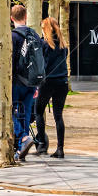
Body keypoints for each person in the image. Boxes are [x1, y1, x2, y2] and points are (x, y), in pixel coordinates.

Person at [10, 4, 45, 162]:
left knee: (10, 111)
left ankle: (23, 138)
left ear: (11, 18)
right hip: (32, 82)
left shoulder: (12, 36)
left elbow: (11, 60)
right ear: (26, 17)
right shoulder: (35, 35)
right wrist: (37, 84)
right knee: (25, 114)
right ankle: (20, 150)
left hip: (16, 81)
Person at [33, 17, 70, 158]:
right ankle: (60, 149)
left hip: (47, 82)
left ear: (46, 29)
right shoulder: (63, 45)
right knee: (58, 116)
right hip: (62, 82)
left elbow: (40, 64)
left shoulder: (44, 45)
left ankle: (42, 145)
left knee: (38, 111)